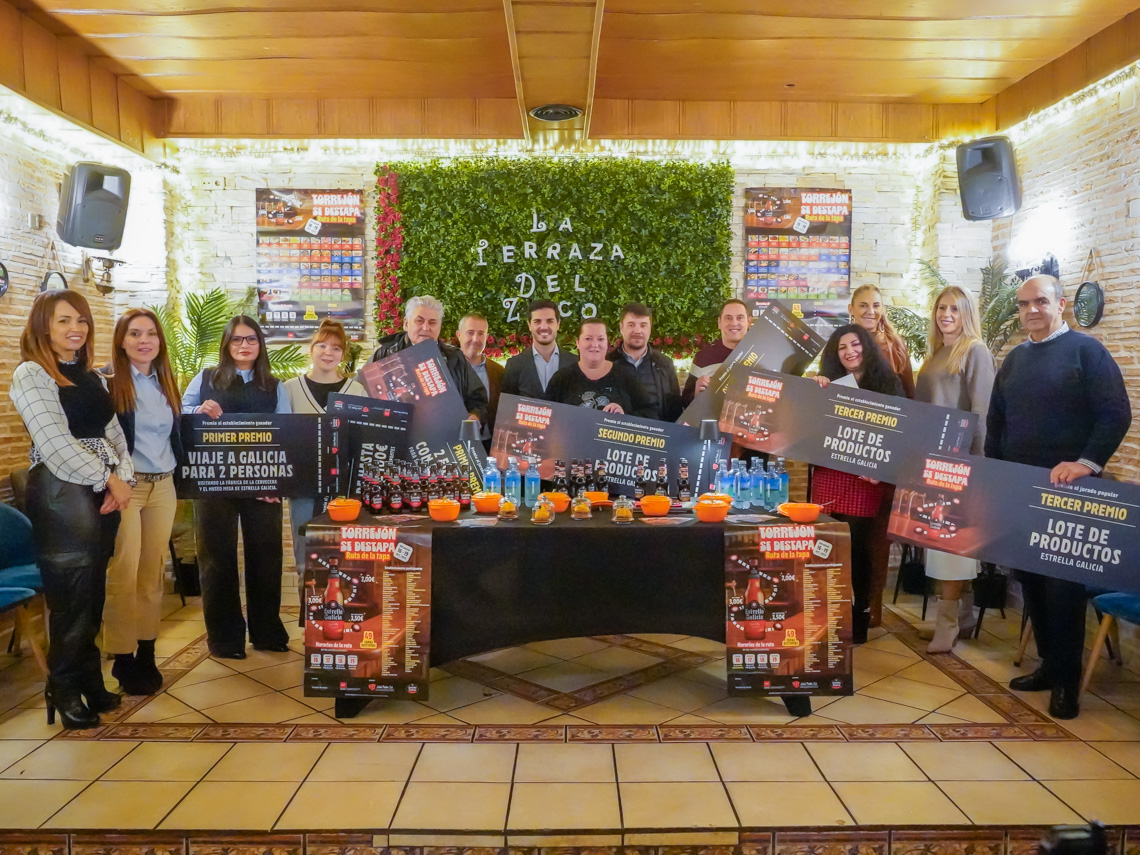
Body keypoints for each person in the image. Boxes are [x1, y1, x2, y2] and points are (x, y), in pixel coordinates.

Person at [987, 274, 1130, 719]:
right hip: (1022, 490)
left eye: (1041, 301)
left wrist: (1085, 463)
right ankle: (1049, 664)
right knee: (1030, 581)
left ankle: (1068, 682)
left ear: (1061, 304)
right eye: (1024, 303)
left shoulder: (1088, 352)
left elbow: (1115, 413)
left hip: (1072, 493)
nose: (1032, 309)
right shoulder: (1014, 360)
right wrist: (996, 474)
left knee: (1063, 587)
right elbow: (998, 422)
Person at [10, 290, 133, 728]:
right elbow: (55, 444)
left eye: (80, 320)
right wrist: (110, 478)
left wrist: (124, 476)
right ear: (44, 326)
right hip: (62, 494)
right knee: (71, 597)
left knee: (93, 591)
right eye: (64, 321)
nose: (75, 329)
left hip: (104, 490)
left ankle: (88, 679)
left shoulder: (90, 376)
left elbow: (114, 432)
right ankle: (62, 687)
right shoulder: (32, 374)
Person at [182, 315, 292, 660]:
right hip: (214, 482)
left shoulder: (276, 386)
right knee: (216, 559)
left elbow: (286, 434)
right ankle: (225, 639)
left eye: (251, 340)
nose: (244, 346)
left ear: (260, 346)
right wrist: (199, 410)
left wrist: (279, 483)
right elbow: (183, 416)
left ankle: (267, 631)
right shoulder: (204, 379)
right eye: (237, 340)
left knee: (266, 555)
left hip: (263, 484)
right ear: (226, 345)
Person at [104, 308, 183, 696]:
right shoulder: (108, 382)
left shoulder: (164, 381)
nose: (144, 340)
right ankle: (121, 657)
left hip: (163, 486)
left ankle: (148, 651)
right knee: (125, 572)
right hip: (128, 489)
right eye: (134, 334)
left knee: (153, 574)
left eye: (151, 333)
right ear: (122, 340)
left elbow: (171, 433)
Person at [809, 324, 904, 644]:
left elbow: (901, 431)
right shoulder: (828, 384)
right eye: (842, 348)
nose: (850, 351)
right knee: (827, 548)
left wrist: (884, 468)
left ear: (866, 345)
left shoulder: (887, 382)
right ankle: (827, 617)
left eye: (855, 344)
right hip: (829, 474)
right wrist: (817, 390)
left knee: (859, 549)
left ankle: (860, 615)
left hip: (865, 479)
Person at [914, 287, 995, 653]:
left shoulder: (975, 351)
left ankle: (947, 624)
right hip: (933, 462)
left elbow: (982, 414)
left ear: (967, 314)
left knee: (952, 545)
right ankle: (960, 617)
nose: (946, 314)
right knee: (940, 542)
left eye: (954, 309)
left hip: (962, 465)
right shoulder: (936, 354)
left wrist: (977, 467)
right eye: (941, 308)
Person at [283, 319, 365, 579]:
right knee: (306, 561)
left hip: (345, 491)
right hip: (304, 489)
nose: (328, 352)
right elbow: (282, 440)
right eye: (322, 345)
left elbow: (363, 442)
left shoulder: (357, 391)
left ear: (344, 353)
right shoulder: (290, 389)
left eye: (336, 347)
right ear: (311, 348)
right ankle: (309, 620)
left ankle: (341, 618)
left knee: (344, 561)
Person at [368, 295, 488, 425]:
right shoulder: (384, 354)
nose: (426, 328)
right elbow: (361, 395)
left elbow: (478, 400)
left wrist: (475, 416)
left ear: (439, 326)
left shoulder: (455, 358)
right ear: (406, 324)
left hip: (444, 438)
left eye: (432, 322)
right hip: (398, 436)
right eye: (419, 321)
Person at [545, 319, 656, 417]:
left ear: (607, 343)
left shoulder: (625, 376)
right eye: (588, 338)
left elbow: (650, 413)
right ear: (577, 343)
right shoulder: (562, 378)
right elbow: (544, 415)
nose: (595, 344)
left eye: (601, 339)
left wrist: (625, 416)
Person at [607, 302, 682, 422]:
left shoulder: (664, 364)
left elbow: (675, 410)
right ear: (621, 328)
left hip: (657, 437)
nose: (637, 331)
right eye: (631, 325)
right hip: (616, 435)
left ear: (650, 328)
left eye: (643, 325)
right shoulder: (607, 363)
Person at [501, 299, 577, 399]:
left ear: (558, 324)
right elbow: (507, 407)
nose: (544, 327)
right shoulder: (514, 365)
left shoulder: (576, 363)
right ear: (529, 325)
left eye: (550, 321)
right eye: (537, 321)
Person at [849, 284, 915, 397]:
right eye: (863, 306)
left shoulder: (895, 344)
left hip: (888, 413)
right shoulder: (840, 343)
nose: (870, 311)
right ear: (851, 309)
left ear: (882, 309)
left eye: (876, 306)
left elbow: (909, 393)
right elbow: (827, 381)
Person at [681, 299, 750, 406]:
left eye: (740, 318)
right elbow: (685, 402)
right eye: (728, 318)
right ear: (719, 323)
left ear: (749, 322)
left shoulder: (762, 353)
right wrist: (696, 393)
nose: (734, 323)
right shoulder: (703, 357)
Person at [456, 313, 502, 449]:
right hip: (454, 447)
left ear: (487, 337)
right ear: (459, 335)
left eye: (481, 334)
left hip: (490, 447)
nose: (476, 339)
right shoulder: (447, 368)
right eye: (470, 333)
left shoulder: (498, 371)